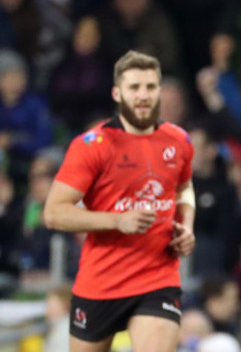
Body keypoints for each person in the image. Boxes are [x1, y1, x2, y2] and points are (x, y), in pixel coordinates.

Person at [43, 50, 196, 352]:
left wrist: (186, 225)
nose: (143, 95)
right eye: (134, 87)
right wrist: (117, 220)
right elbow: (53, 213)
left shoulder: (179, 139)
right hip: (101, 281)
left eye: (150, 87)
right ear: (117, 93)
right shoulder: (92, 145)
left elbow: (184, 188)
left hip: (157, 277)